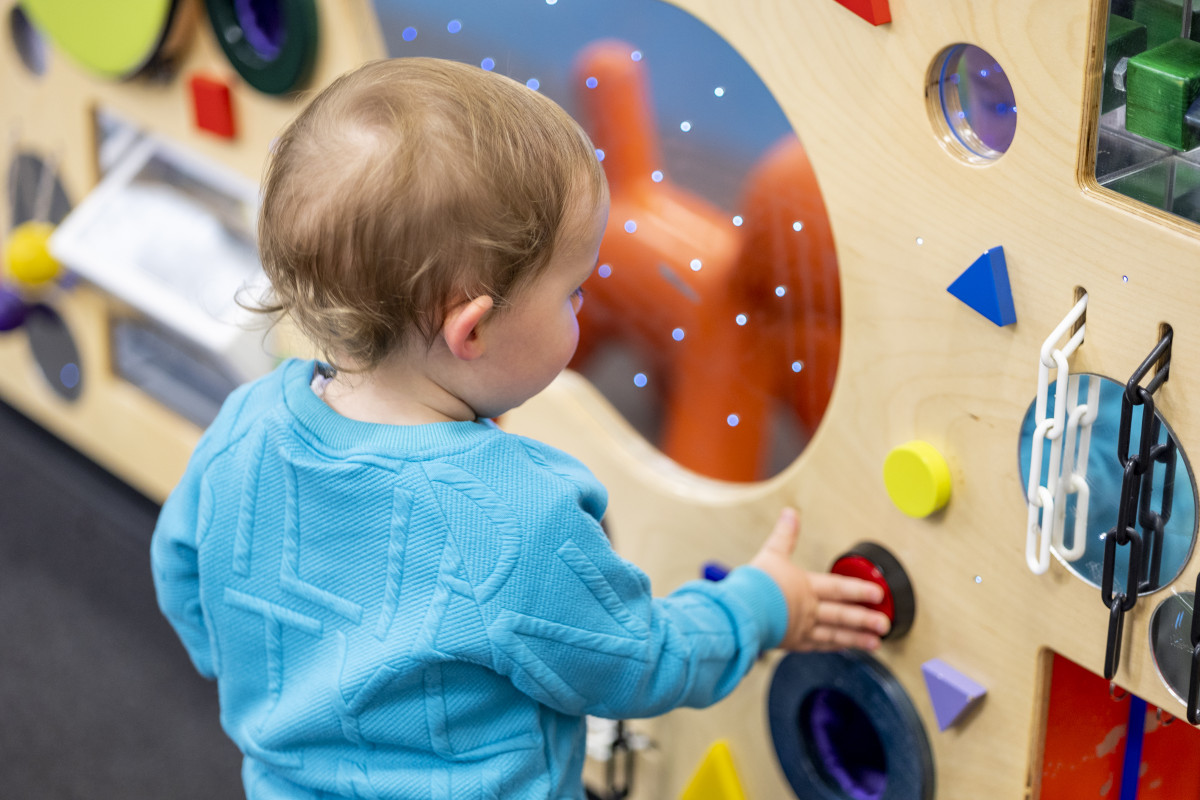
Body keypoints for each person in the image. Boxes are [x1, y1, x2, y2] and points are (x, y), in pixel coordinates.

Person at [151, 57, 890, 800]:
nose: (581, 307)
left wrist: (265, 677)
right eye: (572, 290)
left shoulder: (248, 422)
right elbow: (640, 663)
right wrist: (763, 605)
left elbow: (180, 566)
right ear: (471, 331)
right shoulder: (513, 516)